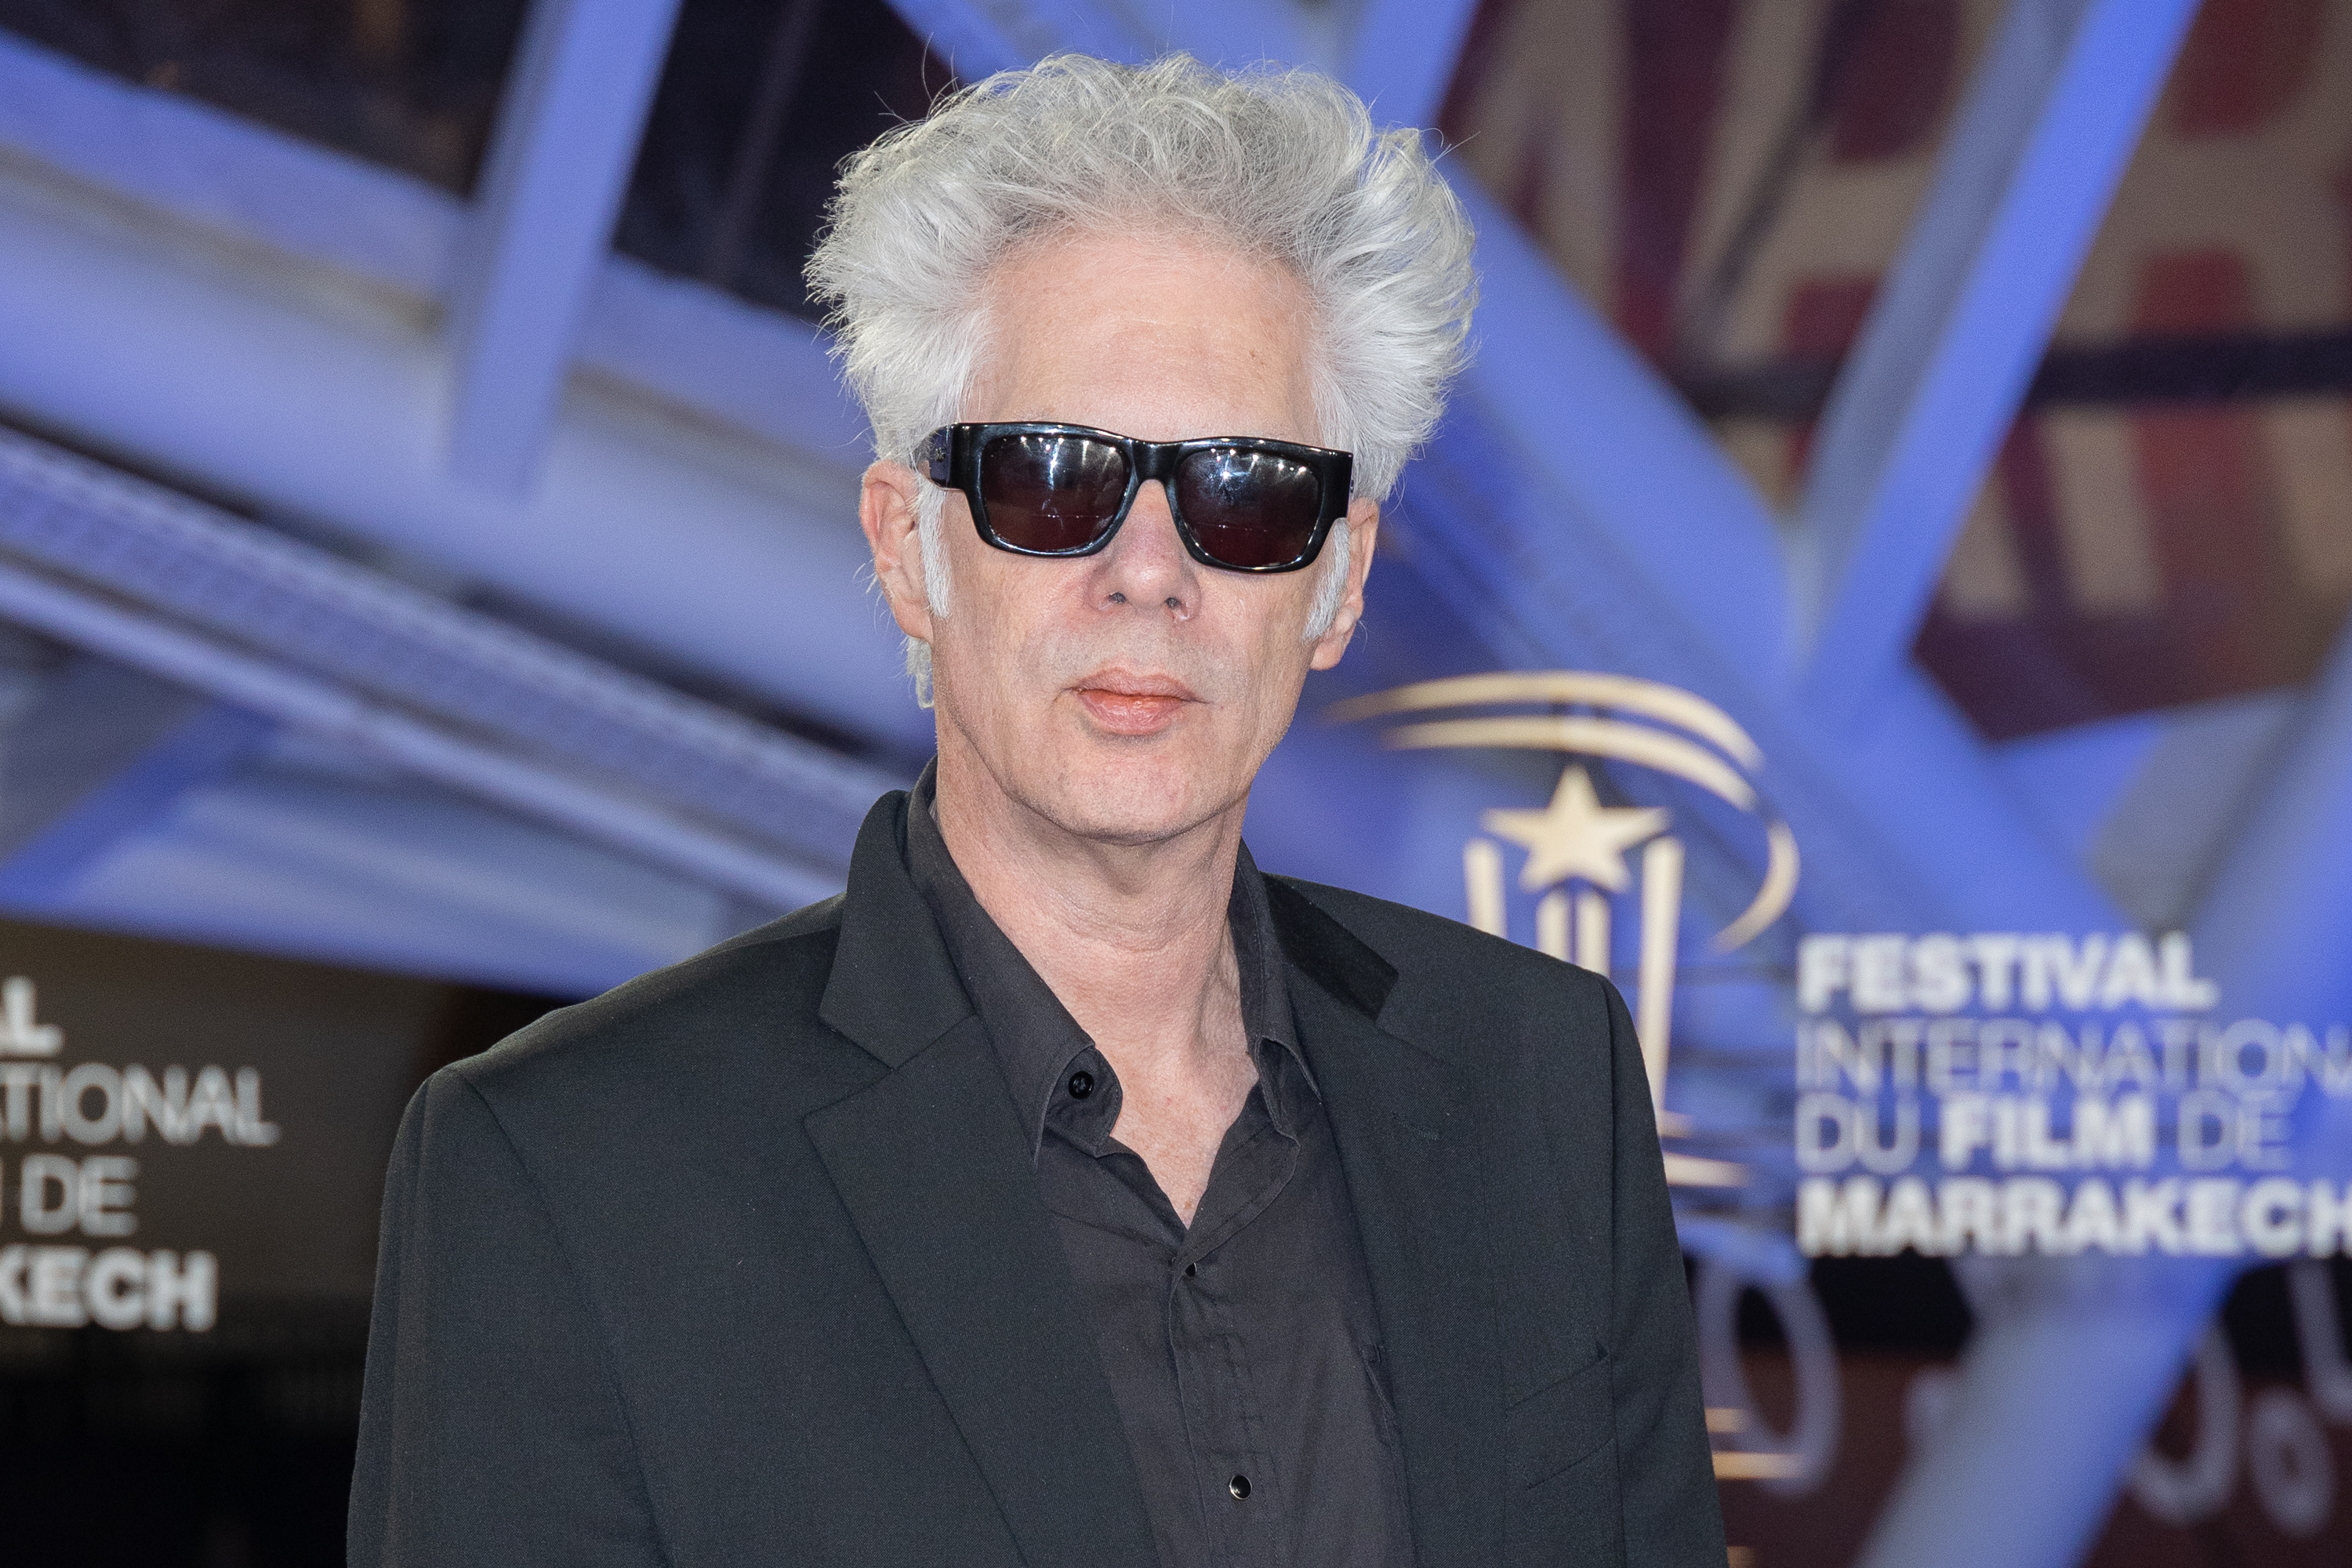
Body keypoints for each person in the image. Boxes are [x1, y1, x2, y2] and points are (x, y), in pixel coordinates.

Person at [348, 54, 1722, 1568]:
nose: (1150, 573)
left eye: (1247, 494)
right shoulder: (571, 1173)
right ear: (906, 548)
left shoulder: (1540, 1083)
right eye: (1055, 481)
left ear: (1338, 580)